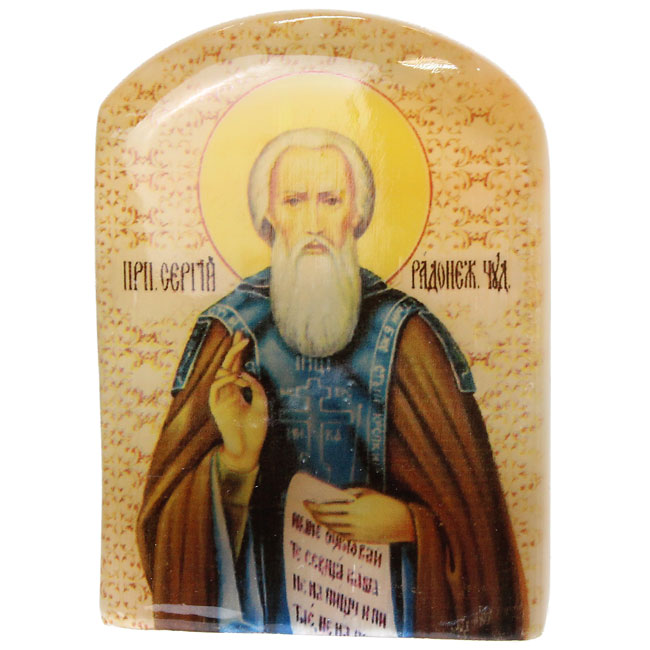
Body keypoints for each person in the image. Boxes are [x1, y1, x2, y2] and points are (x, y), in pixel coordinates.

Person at [137, 128, 528, 638]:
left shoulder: (409, 337)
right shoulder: (230, 333)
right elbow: (164, 532)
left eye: (330, 200)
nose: (314, 222)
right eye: (294, 201)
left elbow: (478, 536)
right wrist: (234, 463)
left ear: (357, 215)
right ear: (268, 217)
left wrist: (411, 526)